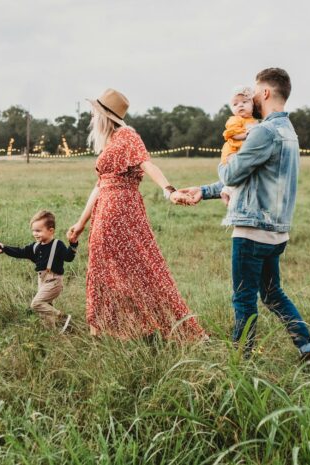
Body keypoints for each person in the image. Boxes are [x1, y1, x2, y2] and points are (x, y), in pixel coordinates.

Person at [179, 68, 310, 365]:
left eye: (256, 92)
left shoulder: (263, 131)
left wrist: (226, 159)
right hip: (276, 232)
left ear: (267, 93)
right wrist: (204, 191)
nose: (253, 97)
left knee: (244, 299)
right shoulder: (288, 132)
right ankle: (307, 351)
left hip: (251, 231)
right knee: (272, 295)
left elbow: (232, 172)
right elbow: (251, 179)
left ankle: (241, 363)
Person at [66, 88, 207, 341]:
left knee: (137, 267)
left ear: (104, 116)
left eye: (94, 113)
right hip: (106, 209)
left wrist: (169, 190)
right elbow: (100, 185)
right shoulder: (110, 141)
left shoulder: (127, 135)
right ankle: (109, 329)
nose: (91, 117)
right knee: (105, 269)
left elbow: (147, 163)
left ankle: (146, 325)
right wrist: (80, 223)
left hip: (120, 209)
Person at [0, 210, 76, 333]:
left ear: (51, 230)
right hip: (41, 280)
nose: (35, 234)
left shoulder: (57, 245)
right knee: (46, 310)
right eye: (33, 230)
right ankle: (53, 332)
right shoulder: (35, 246)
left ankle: (62, 317)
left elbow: (68, 257)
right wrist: (4, 248)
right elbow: (20, 252)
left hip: (54, 281)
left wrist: (73, 244)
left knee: (36, 304)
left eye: (38, 230)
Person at [220, 86, 258, 206]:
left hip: (242, 152)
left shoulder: (253, 121)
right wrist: (246, 135)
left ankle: (227, 191)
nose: (240, 105)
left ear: (252, 104)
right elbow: (233, 134)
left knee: (244, 174)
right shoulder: (235, 120)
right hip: (232, 152)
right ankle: (229, 193)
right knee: (239, 172)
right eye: (235, 104)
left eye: (244, 102)